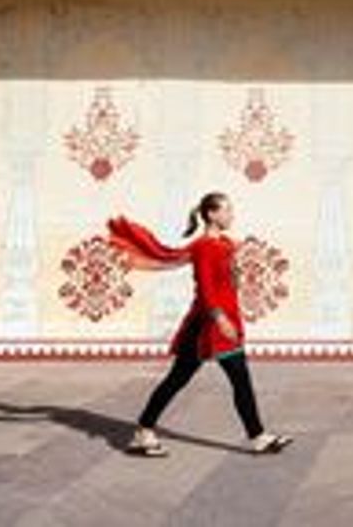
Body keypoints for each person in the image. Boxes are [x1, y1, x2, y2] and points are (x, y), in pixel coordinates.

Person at [107, 192, 292, 457]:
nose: (231, 216)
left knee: (189, 379)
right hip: (209, 324)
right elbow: (206, 288)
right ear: (212, 215)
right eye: (226, 211)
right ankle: (257, 436)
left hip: (222, 321)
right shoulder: (204, 247)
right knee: (204, 380)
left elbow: (227, 280)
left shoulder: (224, 243)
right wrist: (220, 318)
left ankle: (145, 431)